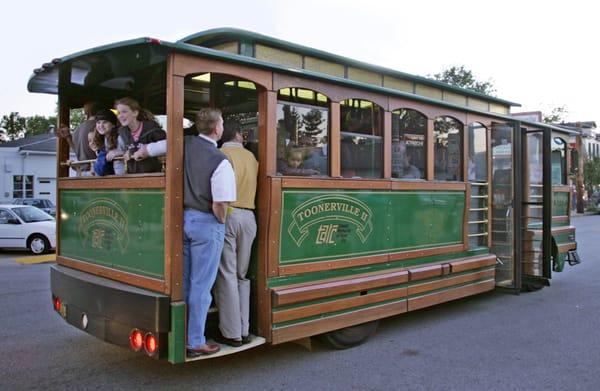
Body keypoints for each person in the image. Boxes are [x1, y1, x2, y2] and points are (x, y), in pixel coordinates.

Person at [183, 108, 236, 357]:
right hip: (207, 222)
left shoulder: (185, 144)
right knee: (201, 286)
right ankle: (195, 341)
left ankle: (181, 333)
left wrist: (142, 151)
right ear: (217, 129)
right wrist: (221, 222)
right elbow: (220, 203)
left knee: (184, 283)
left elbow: (157, 148)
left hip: (184, 219)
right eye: (222, 123)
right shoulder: (220, 160)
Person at [214, 121, 258, 347]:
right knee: (242, 275)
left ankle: (232, 333)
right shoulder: (251, 157)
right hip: (249, 217)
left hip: (229, 214)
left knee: (227, 274)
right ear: (239, 135)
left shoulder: (220, 154)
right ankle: (244, 328)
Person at [109, 97, 166, 174]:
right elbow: (126, 152)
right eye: (118, 113)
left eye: (124, 112)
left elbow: (167, 149)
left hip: (155, 176)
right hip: (134, 178)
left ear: (135, 113)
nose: (120, 116)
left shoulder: (153, 130)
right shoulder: (122, 134)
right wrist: (124, 153)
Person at [56, 101, 103, 175]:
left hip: (81, 174)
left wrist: (68, 137)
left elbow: (77, 150)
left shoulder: (77, 129)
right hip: (96, 173)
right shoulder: (100, 127)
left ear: (87, 113)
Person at [93, 109, 125, 176]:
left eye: (105, 122)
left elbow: (133, 150)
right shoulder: (103, 138)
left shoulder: (120, 137)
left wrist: (120, 153)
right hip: (113, 175)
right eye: (98, 122)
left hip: (125, 175)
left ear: (113, 125)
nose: (101, 125)